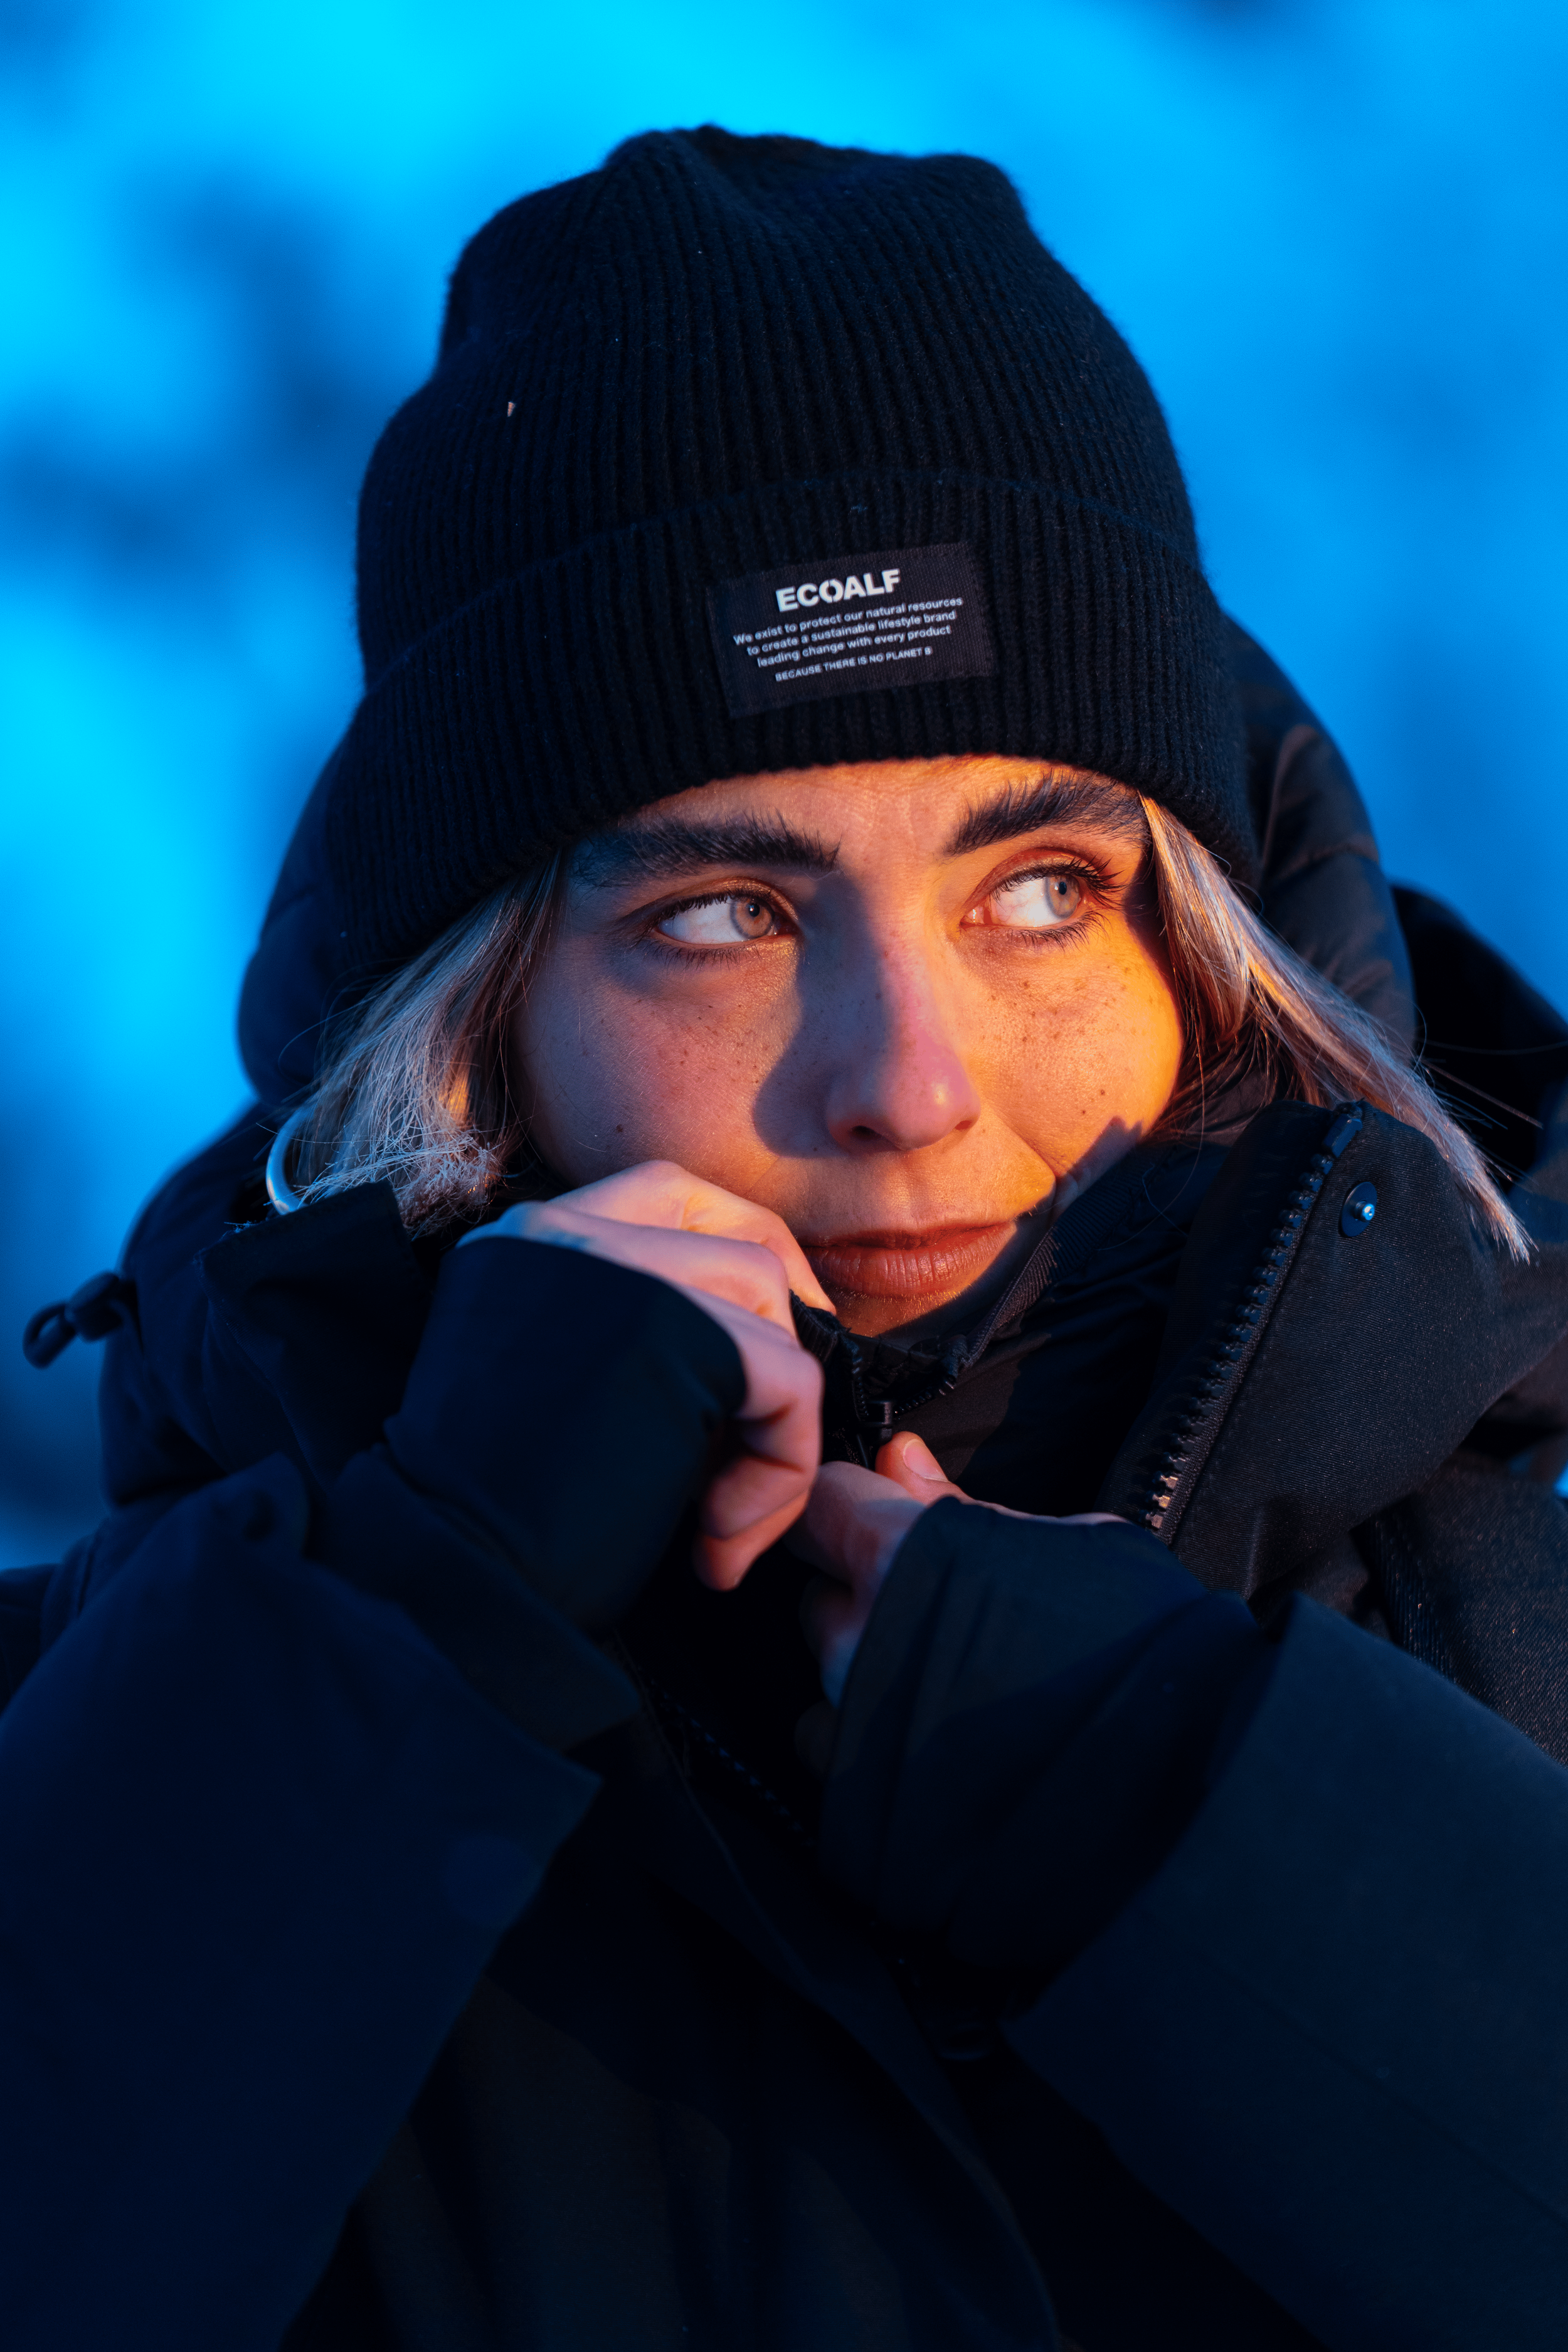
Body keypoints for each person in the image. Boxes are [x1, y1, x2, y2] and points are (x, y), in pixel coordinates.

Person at [11, 127, 1568, 2351]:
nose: (908, 1080)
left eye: (1041, 889)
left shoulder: (1528, 1609)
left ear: (1200, 946)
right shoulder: (148, 1705)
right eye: (724, 915)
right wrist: (414, 1625)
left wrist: (1179, 1806)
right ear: (485, 1028)